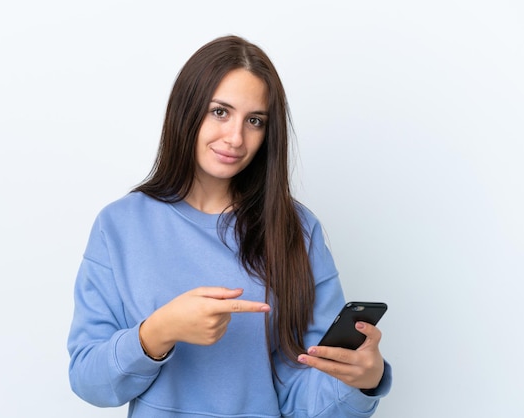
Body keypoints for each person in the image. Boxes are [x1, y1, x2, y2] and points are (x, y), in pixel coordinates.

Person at [67, 35, 392, 417]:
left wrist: (362, 381)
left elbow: (307, 395)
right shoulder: (120, 226)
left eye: (254, 121)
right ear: (186, 111)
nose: (236, 138)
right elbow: (88, 380)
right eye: (220, 112)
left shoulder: (297, 230)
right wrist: (157, 332)